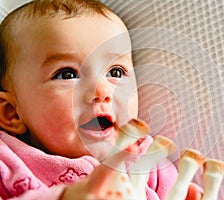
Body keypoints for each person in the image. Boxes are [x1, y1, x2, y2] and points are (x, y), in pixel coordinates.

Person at [0, 0, 202, 199]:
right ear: (11, 113)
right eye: (67, 75)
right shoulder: (8, 163)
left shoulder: (149, 163)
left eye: (116, 71)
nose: (101, 91)